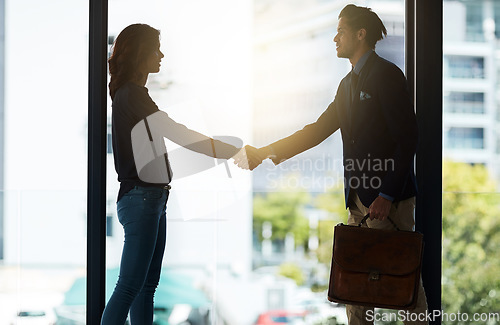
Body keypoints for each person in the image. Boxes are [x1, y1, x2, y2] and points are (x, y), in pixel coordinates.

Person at [235, 4, 428, 325]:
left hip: (387, 204)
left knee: (404, 286)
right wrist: (266, 151)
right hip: (357, 202)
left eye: (340, 31)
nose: (334, 38)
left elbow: (407, 139)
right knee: (354, 288)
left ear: (360, 34)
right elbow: (316, 130)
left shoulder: (387, 75)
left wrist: (389, 195)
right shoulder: (347, 85)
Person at [102, 23, 241, 325]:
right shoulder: (131, 95)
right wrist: (228, 150)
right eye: (156, 49)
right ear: (141, 54)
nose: (162, 55)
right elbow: (175, 131)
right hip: (142, 198)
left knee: (144, 288)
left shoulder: (133, 94)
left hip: (151, 199)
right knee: (129, 286)